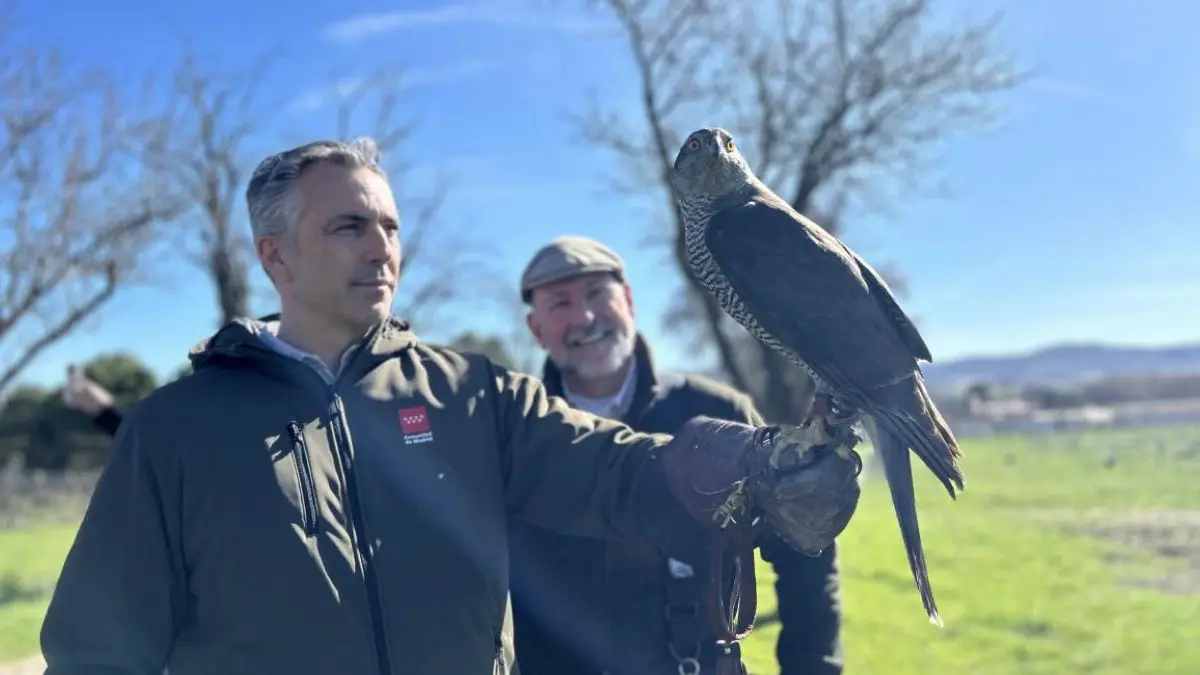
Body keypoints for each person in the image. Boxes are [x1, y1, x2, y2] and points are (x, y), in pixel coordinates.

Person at [38, 138, 862, 675]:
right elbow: (97, 649)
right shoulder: (177, 428)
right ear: (274, 255)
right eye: (349, 226)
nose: (382, 248)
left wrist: (752, 463)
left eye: (390, 226)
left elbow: (610, 465)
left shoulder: (472, 392)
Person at [508, 236, 846, 675]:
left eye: (596, 293)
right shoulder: (517, 436)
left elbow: (804, 556)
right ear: (535, 329)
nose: (585, 317)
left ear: (629, 300)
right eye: (560, 303)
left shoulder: (718, 413)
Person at [59, 365, 124, 436]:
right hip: (105, 413)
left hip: (111, 408)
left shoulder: (83, 383)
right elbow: (70, 402)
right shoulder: (74, 390)